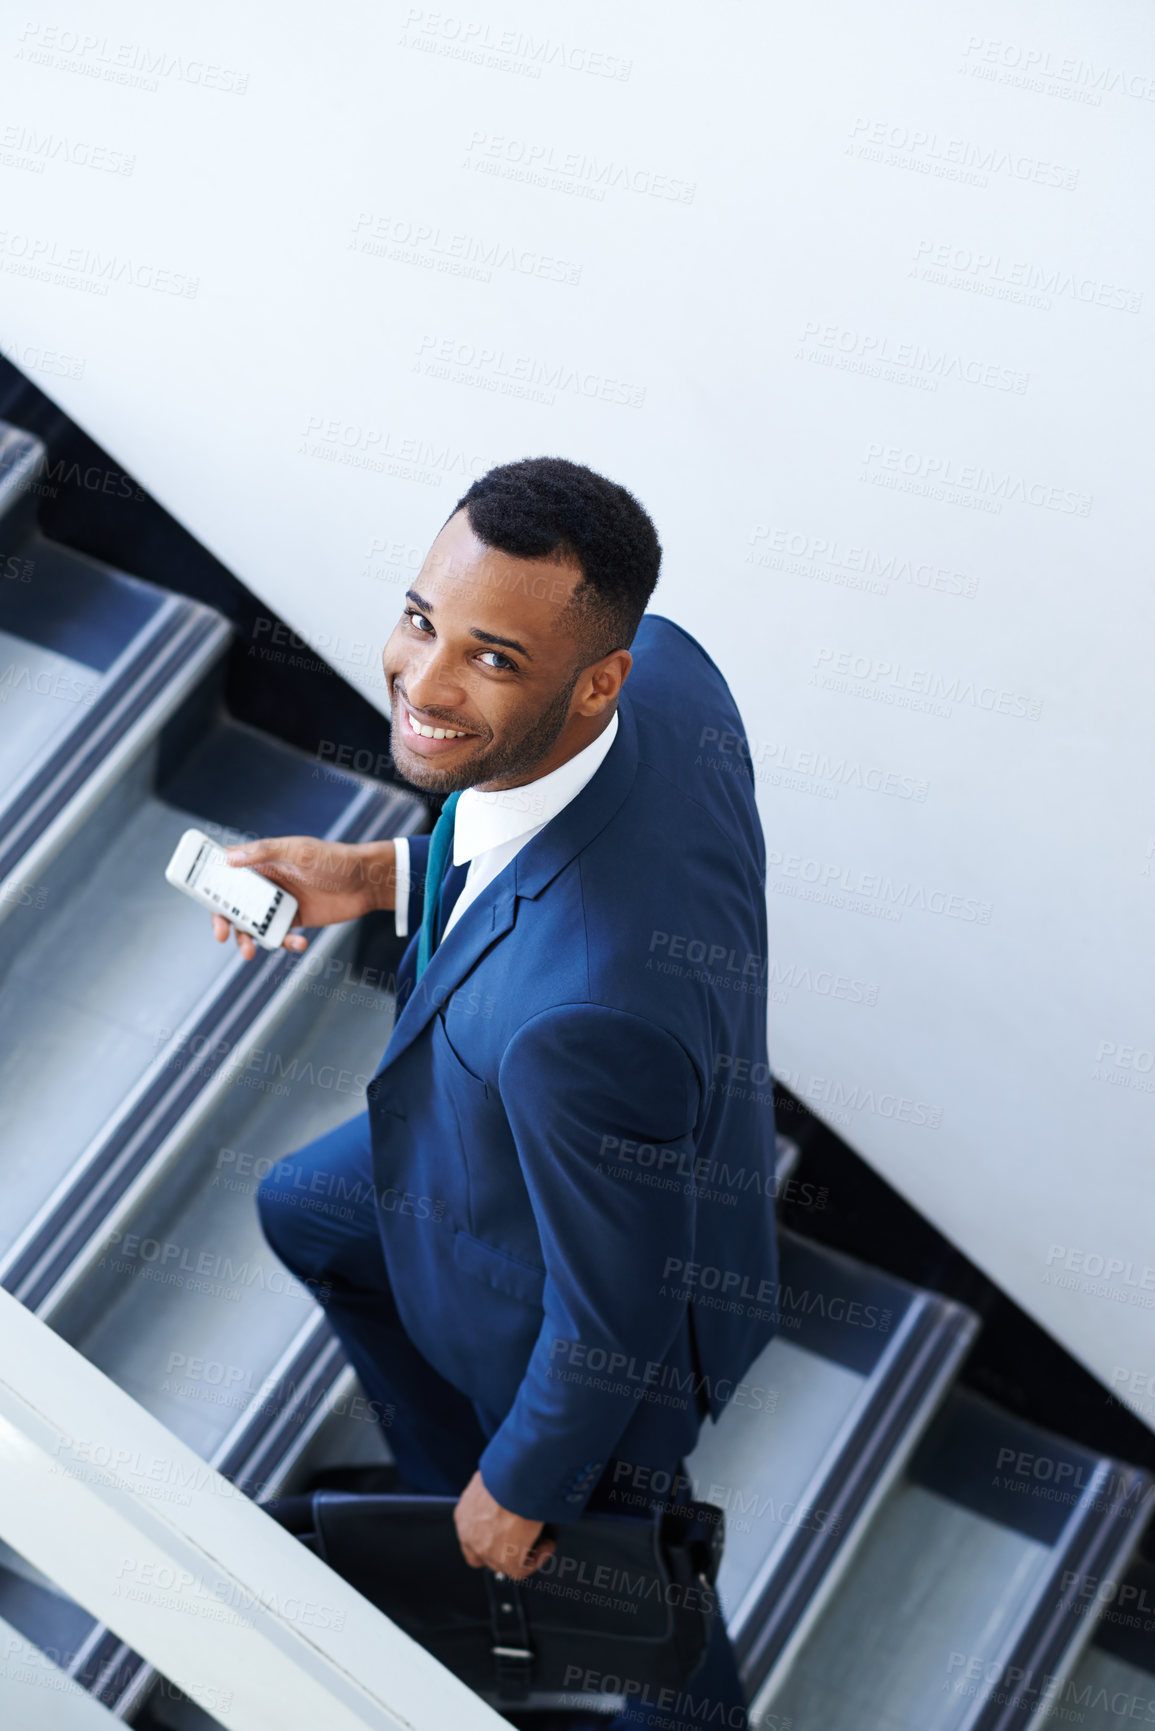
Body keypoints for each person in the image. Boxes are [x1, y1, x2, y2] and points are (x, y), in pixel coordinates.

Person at [213, 457, 777, 1731]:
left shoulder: (585, 1013)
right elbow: (521, 841)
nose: (423, 683)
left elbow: (616, 1308)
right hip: (512, 1136)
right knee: (311, 1210)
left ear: (594, 682)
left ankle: (541, 1537)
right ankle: (451, 1476)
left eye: (493, 660)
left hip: (612, 1308)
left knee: (639, 1603)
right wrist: (370, 876)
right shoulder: (672, 673)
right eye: (423, 621)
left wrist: (524, 1481)